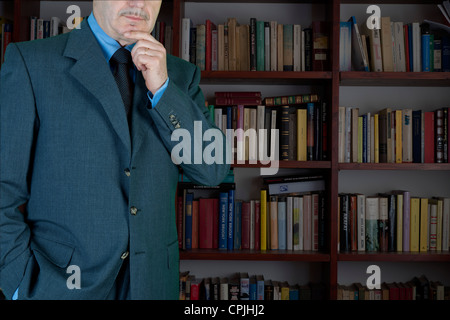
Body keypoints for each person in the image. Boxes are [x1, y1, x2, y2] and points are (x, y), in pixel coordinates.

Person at [0, 0, 230, 300]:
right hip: (59, 288)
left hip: (152, 285)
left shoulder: (180, 76)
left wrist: (163, 90)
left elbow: (212, 172)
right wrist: (21, 285)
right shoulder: (31, 63)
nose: (138, 3)